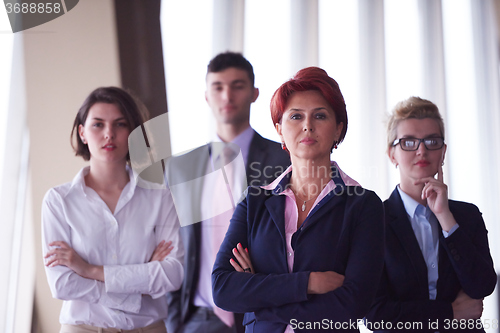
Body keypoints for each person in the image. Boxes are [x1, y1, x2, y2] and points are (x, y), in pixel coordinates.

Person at [212, 67, 385, 333]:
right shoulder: (255, 201)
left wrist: (259, 296)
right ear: (280, 130)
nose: (307, 125)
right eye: (296, 116)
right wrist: (308, 283)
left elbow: (354, 303)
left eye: (320, 115)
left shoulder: (363, 205)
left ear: (338, 129)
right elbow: (223, 288)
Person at [42, 87, 184, 333]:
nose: (109, 134)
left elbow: (173, 274)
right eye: (98, 125)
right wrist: (140, 284)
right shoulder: (58, 201)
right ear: (82, 133)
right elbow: (62, 284)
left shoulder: (160, 197)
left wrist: (90, 270)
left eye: (120, 124)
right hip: (83, 328)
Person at [165, 52, 290, 333]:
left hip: (261, 314)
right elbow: (173, 244)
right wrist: (174, 322)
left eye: (237, 85)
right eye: (218, 87)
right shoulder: (180, 168)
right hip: (195, 319)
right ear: (207, 96)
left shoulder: (284, 160)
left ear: (254, 93)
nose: (227, 96)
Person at [365, 96, 496, 332]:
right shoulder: (374, 221)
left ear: (443, 152)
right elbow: (375, 315)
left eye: (432, 141)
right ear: (391, 154)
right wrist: (451, 313)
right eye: (408, 142)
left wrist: (446, 218)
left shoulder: (467, 215)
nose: (421, 150)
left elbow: (482, 287)